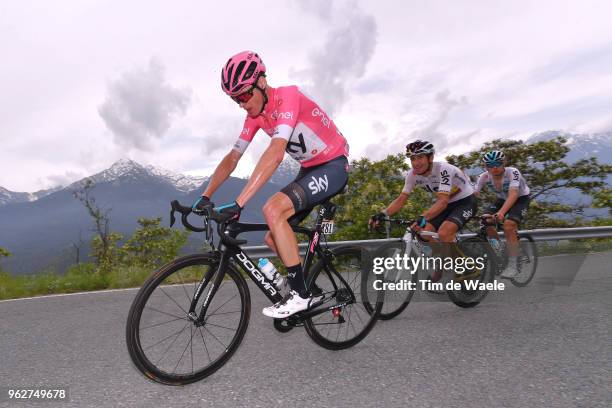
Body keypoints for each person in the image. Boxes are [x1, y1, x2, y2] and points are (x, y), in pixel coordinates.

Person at [192, 51, 349, 318]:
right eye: (234, 99)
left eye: (243, 95)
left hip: (333, 165)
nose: (241, 103)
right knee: (271, 235)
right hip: (309, 169)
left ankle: (300, 295)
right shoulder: (255, 117)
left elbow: (276, 153)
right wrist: (204, 196)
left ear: (261, 83)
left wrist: (239, 203)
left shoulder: (288, 96)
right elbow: (232, 158)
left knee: (273, 210)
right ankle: (308, 287)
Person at [369, 140, 477, 281]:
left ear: (430, 157)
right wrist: (382, 213)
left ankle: (469, 266)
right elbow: (401, 199)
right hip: (446, 203)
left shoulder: (444, 170)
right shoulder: (412, 175)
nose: (416, 163)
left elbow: (443, 201)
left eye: (420, 157)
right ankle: (444, 261)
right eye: (413, 158)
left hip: (466, 202)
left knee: (444, 233)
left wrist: (423, 216)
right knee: (421, 231)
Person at [474, 150, 531, 278]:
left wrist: (501, 213)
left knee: (508, 226)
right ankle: (499, 251)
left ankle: (513, 265)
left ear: (504, 162)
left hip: (520, 199)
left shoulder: (512, 172)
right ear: (485, 166)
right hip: (502, 199)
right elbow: (473, 194)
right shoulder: (483, 177)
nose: (494, 168)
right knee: (485, 222)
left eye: (497, 164)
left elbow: (514, 194)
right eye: (490, 165)